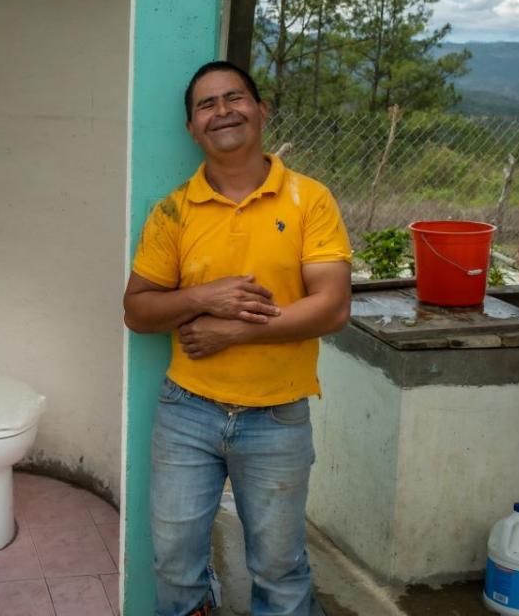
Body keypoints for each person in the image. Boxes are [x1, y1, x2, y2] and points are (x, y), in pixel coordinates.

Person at [122, 60, 352, 616]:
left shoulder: (308, 199)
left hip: (277, 415)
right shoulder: (174, 211)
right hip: (187, 413)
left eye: (234, 98)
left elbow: (333, 307)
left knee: (279, 568)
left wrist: (231, 331)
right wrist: (204, 297)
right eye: (206, 104)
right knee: (176, 566)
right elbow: (137, 308)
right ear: (191, 129)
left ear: (261, 110)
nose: (222, 110)